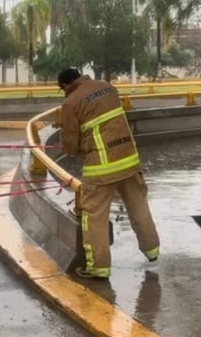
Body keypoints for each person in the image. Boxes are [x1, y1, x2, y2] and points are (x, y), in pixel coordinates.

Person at [57, 68, 160, 279]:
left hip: (101, 167)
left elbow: (70, 144)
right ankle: (152, 250)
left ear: (66, 85)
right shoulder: (106, 87)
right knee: (138, 205)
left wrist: (72, 149)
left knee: (93, 215)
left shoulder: (70, 102)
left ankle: (98, 267)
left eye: (62, 90)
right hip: (129, 159)